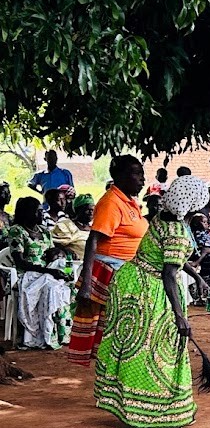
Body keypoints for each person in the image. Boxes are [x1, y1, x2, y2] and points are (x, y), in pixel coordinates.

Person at [94, 175, 210, 428]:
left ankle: (131, 408)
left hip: (131, 283)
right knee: (156, 349)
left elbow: (172, 257)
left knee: (134, 346)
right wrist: (180, 316)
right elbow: (169, 273)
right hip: (152, 292)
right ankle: (151, 418)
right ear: (193, 204)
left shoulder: (164, 219)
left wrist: (197, 276)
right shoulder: (179, 231)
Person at [67, 155, 149, 367]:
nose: (143, 179)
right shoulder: (111, 202)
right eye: (137, 174)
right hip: (110, 272)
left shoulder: (130, 202)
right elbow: (93, 240)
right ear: (121, 176)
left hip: (127, 271)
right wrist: (86, 285)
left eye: (142, 173)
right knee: (112, 328)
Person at [7, 197, 72, 349]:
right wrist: (49, 271)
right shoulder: (17, 231)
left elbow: (52, 254)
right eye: (38, 211)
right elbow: (20, 262)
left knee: (64, 286)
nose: (42, 214)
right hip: (29, 275)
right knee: (51, 289)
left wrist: (63, 260)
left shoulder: (44, 232)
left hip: (48, 273)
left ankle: (61, 333)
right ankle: (45, 335)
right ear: (27, 213)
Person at [52, 193, 95, 259]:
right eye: (87, 210)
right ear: (78, 210)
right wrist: (65, 250)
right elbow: (55, 244)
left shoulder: (95, 227)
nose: (91, 213)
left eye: (93, 210)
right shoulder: (66, 225)